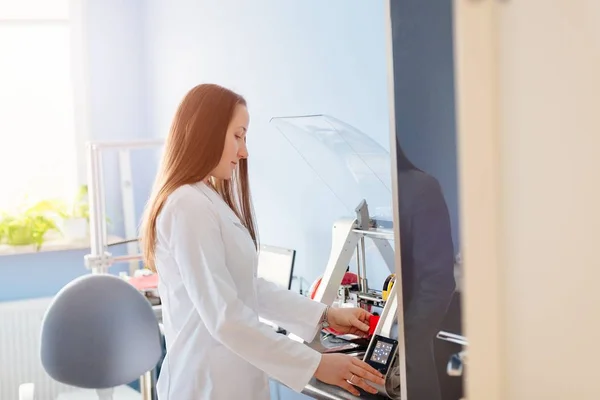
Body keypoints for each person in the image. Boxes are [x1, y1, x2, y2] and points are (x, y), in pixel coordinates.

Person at [140, 83, 386, 400]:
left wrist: (325, 315)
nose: (244, 152)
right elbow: (225, 318)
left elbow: (247, 287)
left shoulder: (205, 199)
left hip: (231, 381)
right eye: (238, 136)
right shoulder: (187, 205)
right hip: (205, 386)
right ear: (206, 132)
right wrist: (317, 364)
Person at [395, 140, 457, 400]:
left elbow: (438, 283)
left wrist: (406, 340)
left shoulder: (420, 188)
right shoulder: (369, 188)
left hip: (410, 358)